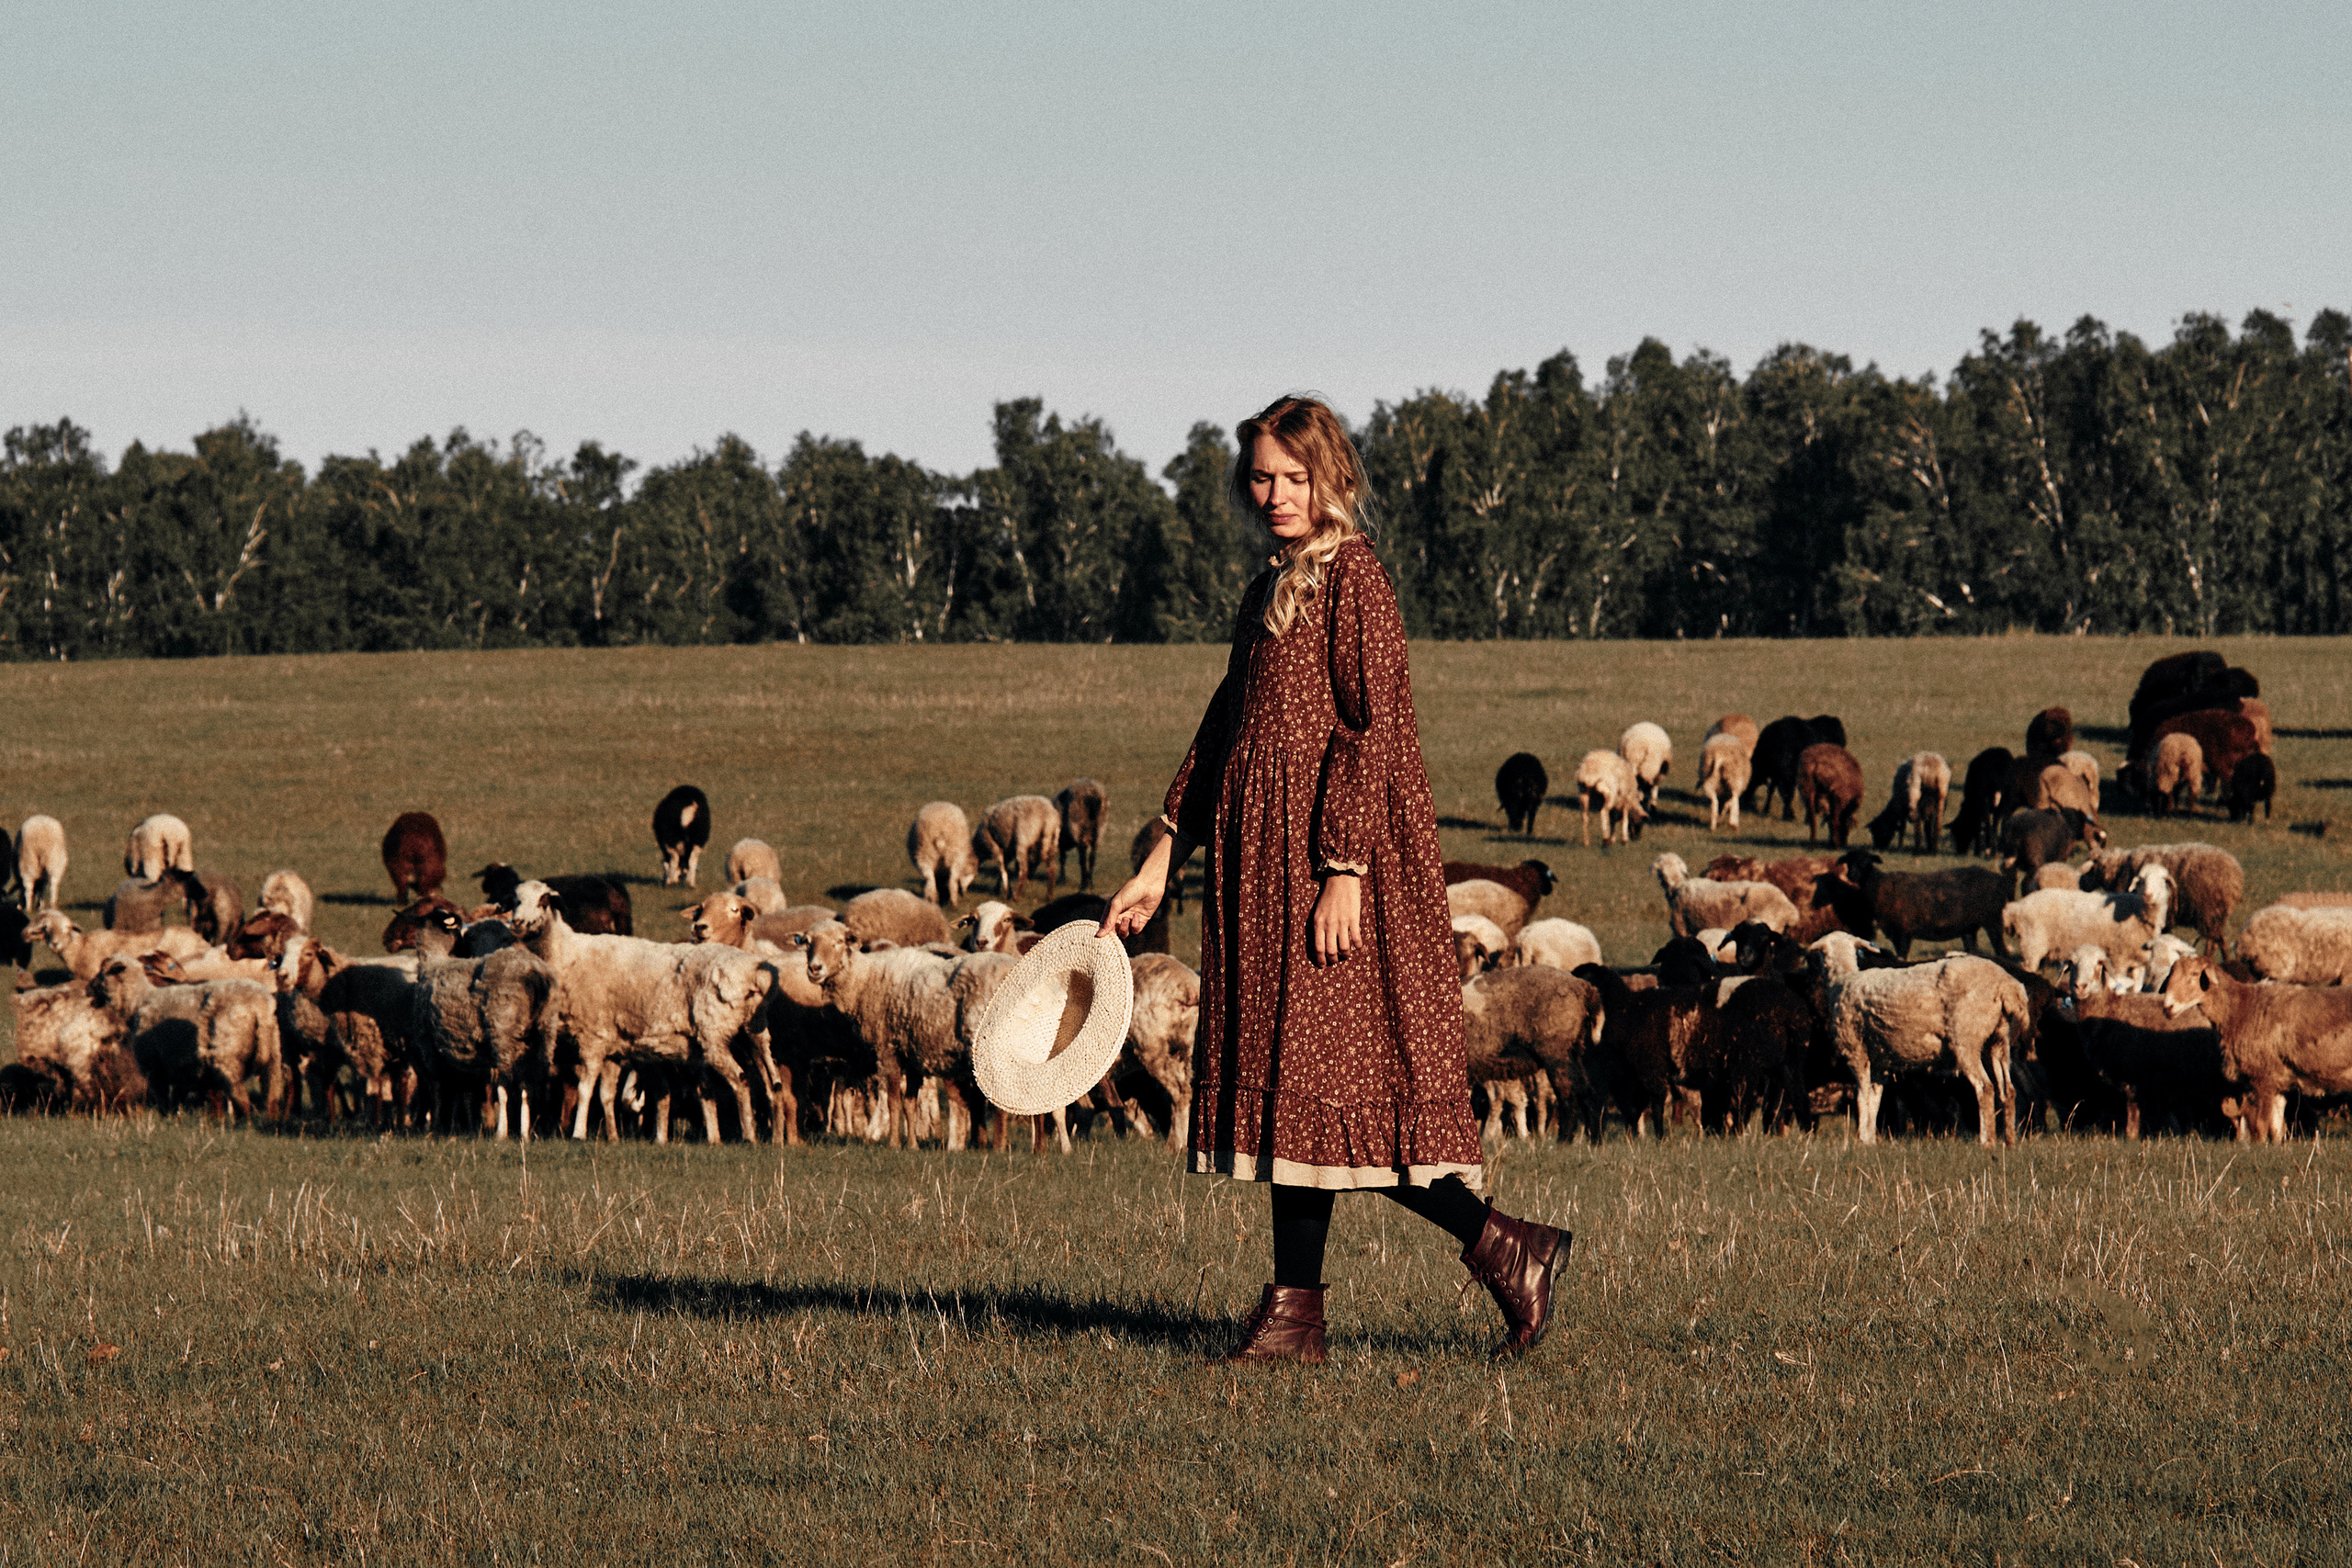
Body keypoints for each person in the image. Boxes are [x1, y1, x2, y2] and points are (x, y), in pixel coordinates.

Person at [1102, 394, 1567, 1364]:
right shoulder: (1270, 586)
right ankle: (1296, 1313)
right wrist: (1157, 860)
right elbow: (1223, 731)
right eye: (1261, 479)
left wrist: (1344, 867)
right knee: (1293, 1094)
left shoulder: (1355, 577)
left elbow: (1373, 726)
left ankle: (1502, 1247)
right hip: (1258, 870)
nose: (1273, 495)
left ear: (1331, 479)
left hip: (1328, 865)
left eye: (1292, 478)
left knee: (1343, 1094)